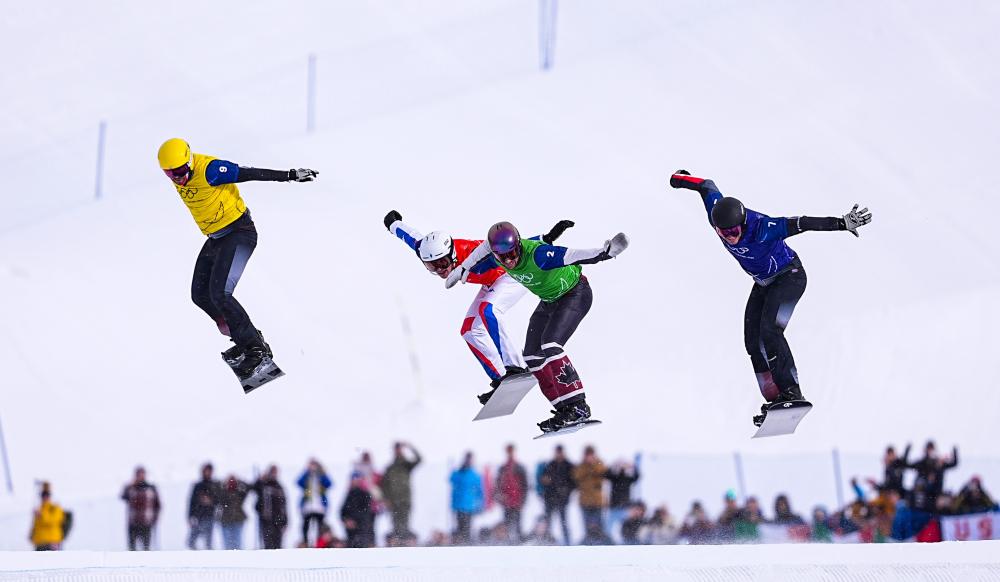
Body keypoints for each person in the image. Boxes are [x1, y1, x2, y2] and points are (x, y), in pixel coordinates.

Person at [669, 170, 872, 426]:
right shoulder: (716, 214)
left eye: (734, 230)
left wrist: (841, 223)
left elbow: (803, 223)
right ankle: (776, 401)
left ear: (743, 223)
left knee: (770, 331)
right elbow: (707, 186)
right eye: (723, 233)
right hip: (763, 283)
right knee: (753, 343)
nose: (731, 237)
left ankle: (792, 392)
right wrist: (679, 178)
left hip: (790, 276)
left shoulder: (762, 228)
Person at [156, 138, 317, 387]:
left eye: (179, 171)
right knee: (200, 295)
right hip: (216, 238)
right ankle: (245, 340)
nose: (177, 178)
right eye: (170, 174)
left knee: (220, 293)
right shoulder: (181, 175)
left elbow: (248, 173)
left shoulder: (210, 170)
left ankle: (257, 350)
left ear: (189, 162)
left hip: (239, 232)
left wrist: (290, 175)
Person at [446, 222, 629, 431]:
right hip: (549, 301)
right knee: (532, 356)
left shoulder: (539, 255)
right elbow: (478, 255)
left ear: (518, 246)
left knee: (551, 345)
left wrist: (606, 252)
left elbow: (576, 255)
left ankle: (578, 407)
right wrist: (462, 269)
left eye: (512, 254)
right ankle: (564, 409)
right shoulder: (494, 252)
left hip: (575, 294)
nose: (509, 261)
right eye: (503, 258)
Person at [384, 212, 574, 402]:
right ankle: (501, 378)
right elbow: (411, 237)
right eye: (432, 266)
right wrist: (393, 224)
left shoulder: (469, 251)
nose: (440, 270)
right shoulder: (425, 249)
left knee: (488, 310)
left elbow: (513, 244)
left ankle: (515, 368)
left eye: (442, 263)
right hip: (491, 282)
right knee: (469, 330)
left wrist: (545, 238)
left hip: (510, 275)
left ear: (452, 254)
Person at [382, 442, 422, 537]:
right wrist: (386, 499)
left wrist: (410, 446)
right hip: (393, 501)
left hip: (405, 499)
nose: (398, 451)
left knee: (405, 525)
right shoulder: (390, 468)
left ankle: (404, 542)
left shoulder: (406, 465)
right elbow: (385, 485)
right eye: (396, 449)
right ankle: (397, 542)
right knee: (395, 525)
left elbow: (419, 459)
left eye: (399, 449)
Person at [539, 444, 575, 545]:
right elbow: (543, 480)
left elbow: (574, 483)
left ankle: (567, 543)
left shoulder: (569, 465)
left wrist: (566, 490)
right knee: (548, 522)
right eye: (557, 452)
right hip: (550, 498)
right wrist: (546, 482)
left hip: (563, 499)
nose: (559, 454)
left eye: (560, 452)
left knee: (564, 522)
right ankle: (546, 542)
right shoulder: (550, 464)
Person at [494, 444, 528, 542]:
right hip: (507, 502)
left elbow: (525, 485)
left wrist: (523, 500)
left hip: (517, 501)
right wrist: (500, 498)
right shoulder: (503, 468)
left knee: (518, 526)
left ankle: (519, 543)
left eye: (511, 451)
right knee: (507, 526)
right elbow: (498, 485)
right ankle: (508, 544)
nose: (510, 453)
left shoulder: (519, 467)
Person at [120, 466, 160, 551]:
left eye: (142, 474)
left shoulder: (151, 487)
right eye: (138, 474)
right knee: (132, 548)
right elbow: (123, 496)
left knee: (146, 548)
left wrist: (155, 518)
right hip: (133, 523)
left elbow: (157, 505)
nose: (140, 476)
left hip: (146, 523)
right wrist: (130, 485)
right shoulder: (131, 487)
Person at [449, 451, 484, 544]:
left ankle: (466, 544)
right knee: (460, 527)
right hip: (459, 506)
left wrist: (480, 504)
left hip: (469, 506)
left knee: (466, 528)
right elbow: (451, 479)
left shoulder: (474, 475)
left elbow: (480, 491)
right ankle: (461, 543)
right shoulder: (459, 473)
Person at [573, 445, 608, 537]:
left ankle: (601, 542)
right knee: (586, 526)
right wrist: (586, 466)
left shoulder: (599, 463)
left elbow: (603, 472)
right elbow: (576, 475)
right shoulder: (581, 465)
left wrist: (593, 464)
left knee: (600, 526)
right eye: (587, 455)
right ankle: (588, 542)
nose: (589, 457)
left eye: (590, 455)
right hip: (584, 501)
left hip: (597, 501)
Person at [296, 458, 332, 546]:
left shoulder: (321, 475)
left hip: (320, 506)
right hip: (308, 506)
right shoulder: (307, 476)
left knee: (320, 527)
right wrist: (307, 471)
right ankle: (306, 542)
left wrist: (321, 473)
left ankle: (318, 544)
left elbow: (329, 483)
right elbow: (299, 482)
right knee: (306, 526)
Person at [253, 465, 288, 549]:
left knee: (278, 544)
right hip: (266, 519)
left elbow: (284, 505)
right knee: (267, 544)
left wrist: (285, 521)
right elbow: (254, 488)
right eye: (272, 472)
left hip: (278, 519)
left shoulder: (279, 487)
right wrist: (260, 479)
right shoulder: (264, 485)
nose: (274, 474)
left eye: (275, 472)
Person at [605, 460, 641, 543]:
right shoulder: (614, 477)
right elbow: (606, 475)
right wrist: (614, 465)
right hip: (614, 507)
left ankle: (623, 543)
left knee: (624, 529)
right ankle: (610, 543)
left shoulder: (627, 478)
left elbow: (637, 477)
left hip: (624, 507)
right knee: (609, 529)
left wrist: (633, 466)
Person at [186, 463, 220, 550]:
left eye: (209, 471)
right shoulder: (198, 485)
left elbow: (219, 501)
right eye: (206, 471)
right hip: (198, 516)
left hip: (209, 516)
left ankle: (208, 557)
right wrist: (190, 516)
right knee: (191, 542)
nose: (207, 473)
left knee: (208, 542)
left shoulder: (215, 485)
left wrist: (210, 501)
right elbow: (192, 502)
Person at [341, 472, 377, 548]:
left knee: (362, 545)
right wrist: (346, 520)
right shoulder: (349, 494)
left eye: (356, 480)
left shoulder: (364, 494)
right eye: (353, 480)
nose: (354, 482)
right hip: (351, 530)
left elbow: (366, 511)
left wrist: (353, 521)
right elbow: (342, 511)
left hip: (362, 528)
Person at [29, 482, 65, 551]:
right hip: (39, 543)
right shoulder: (39, 509)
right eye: (43, 495)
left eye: (47, 495)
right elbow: (36, 525)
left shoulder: (55, 508)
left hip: (52, 542)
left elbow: (53, 521)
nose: (45, 497)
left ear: (50, 496)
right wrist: (32, 535)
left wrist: (42, 515)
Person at [218, 475, 251, 550]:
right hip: (226, 520)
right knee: (227, 544)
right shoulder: (223, 492)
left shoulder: (240, 493)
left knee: (237, 543)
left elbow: (248, 488)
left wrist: (241, 481)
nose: (231, 483)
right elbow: (217, 493)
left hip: (237, 520)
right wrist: (223, 484)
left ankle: (237, 556)